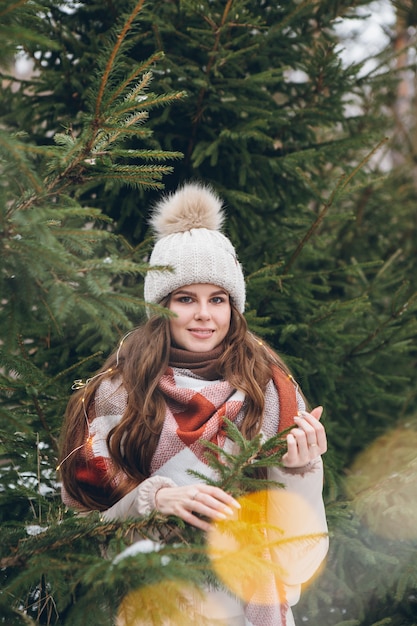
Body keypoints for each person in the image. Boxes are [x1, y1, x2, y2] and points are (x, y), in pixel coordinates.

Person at [59, 182, 329, 626]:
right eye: (186, 299)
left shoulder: (272, 394)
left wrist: (300, 473)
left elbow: (299, 560)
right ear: (161, 307)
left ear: (233, 308)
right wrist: (154, 499)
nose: (204, 314)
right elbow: (79, 536)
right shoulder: (116, 392)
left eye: (217, 299)